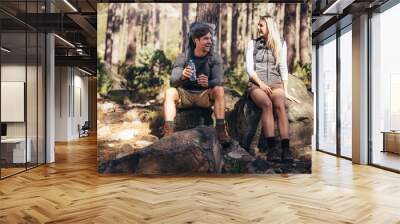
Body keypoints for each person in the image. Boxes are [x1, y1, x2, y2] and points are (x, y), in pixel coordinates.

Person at [162, 22, 229, 145]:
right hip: (185, 95)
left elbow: (219, 80)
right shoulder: (183, 57)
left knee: (219, 90)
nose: (210, 41)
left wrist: (208, 83)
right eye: (206, 39)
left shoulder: (214, 58)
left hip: (204, 95)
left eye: (210, 38)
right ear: (196, 40)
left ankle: (220, 131)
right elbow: (172, 81)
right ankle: (168, 132)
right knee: (169, 92)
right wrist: (182, 76)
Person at [245, 16, 300, 162]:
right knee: (267, 105)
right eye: (258, 25)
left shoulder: (280, 43)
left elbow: (283, 67)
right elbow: (249, 68)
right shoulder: (253, 43)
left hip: (275, 82)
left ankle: (286, 149)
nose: (258, 28)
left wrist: (285, 89)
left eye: (261, 25)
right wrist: (261, 84)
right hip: (257, 83)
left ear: (269, 26)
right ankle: (272, 149)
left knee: (280, 106)